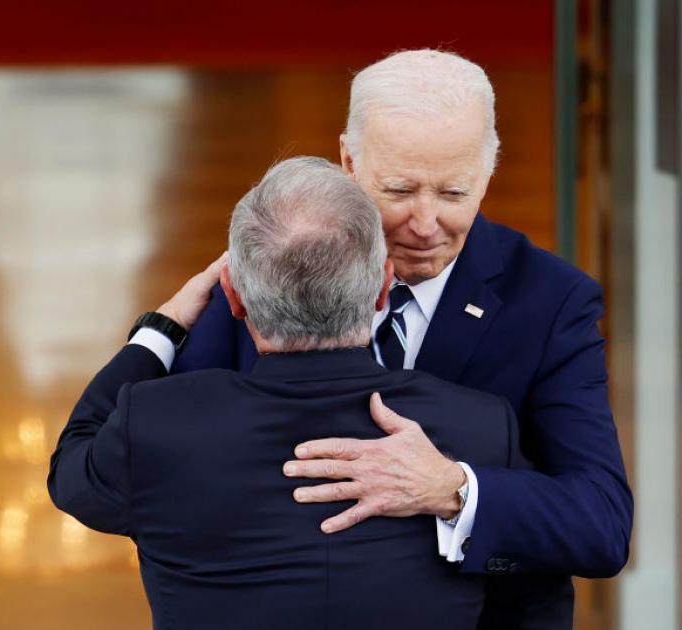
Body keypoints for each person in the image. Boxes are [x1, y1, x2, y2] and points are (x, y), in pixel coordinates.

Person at [169, 50, 633, 627]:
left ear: (489, 171)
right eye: (399, 189)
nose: (424, 222)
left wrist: (451, 490)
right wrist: (160, 331)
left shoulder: (550, 302)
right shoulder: (273, 261)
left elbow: (601, 526)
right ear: (347, 161)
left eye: (454, 193)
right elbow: (159, 451)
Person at [49, 157, 527, 629]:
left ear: (232, 296)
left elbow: (72, 468)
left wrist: (164, 325)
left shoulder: (156, 423)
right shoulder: (480, 429)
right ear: (383, 286)